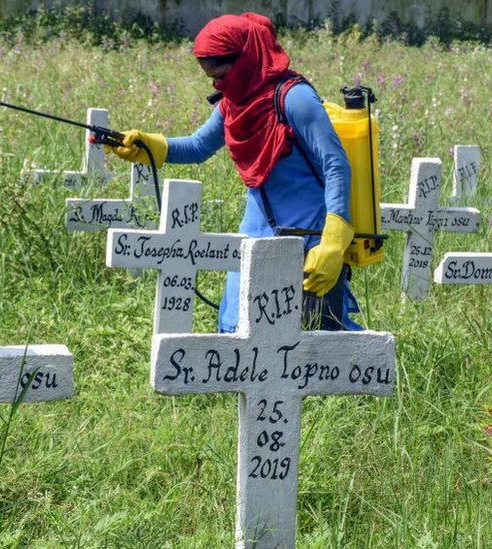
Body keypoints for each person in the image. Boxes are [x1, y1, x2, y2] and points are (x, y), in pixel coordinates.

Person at [107, 12, 361, 333]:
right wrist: (148, 146)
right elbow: (199, 145)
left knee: (311, 347)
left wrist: (334, 242)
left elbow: (335, 164)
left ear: (245, 58)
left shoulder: (295, 98)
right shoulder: (234, 101)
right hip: (256, 237)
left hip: (309, 242)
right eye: (207, 74)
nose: (216, 84)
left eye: (219, 72)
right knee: (238, 335)